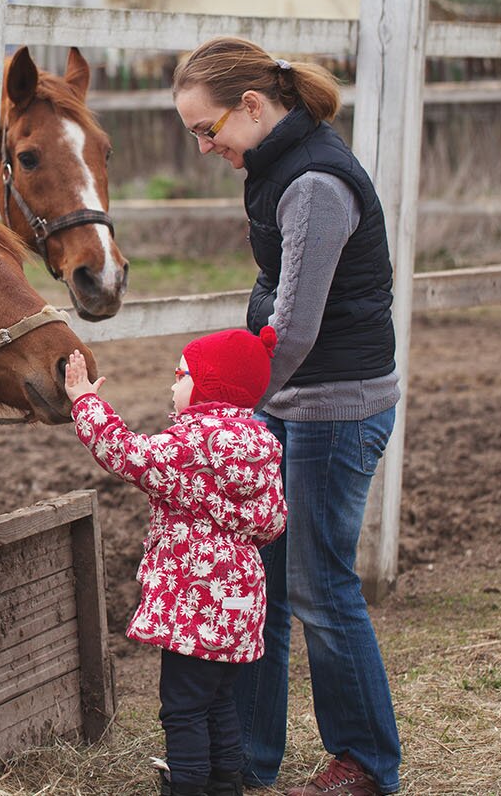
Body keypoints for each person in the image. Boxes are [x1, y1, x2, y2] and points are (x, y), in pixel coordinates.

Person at [171, 36, 404, 796]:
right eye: (194, 135)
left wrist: (225, 408)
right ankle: (244, 758)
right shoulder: (275, 170)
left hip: (335, 405)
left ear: (253, 106)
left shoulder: (313, 184)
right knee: (259, 582)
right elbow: (273, 298)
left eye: (210, 130)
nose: (206, 147)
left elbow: (295, 327)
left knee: (317, 585)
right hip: (288, 400)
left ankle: (365, 763)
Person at [64, 330, 287, 796]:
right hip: (240, 602)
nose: (172, 386)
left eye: (180, 374)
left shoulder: (194, 445)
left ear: (209, 386)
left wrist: (85, 401)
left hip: (195, 603)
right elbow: (273, 523)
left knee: (182, 708)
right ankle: (225, 784)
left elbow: (126, 454)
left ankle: (185, 784)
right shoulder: (260, 444)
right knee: (219, 699)